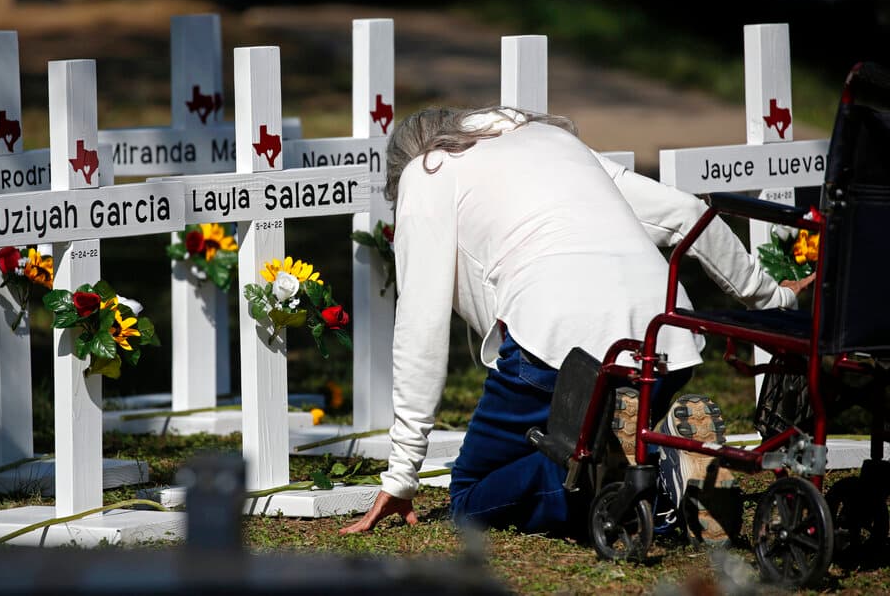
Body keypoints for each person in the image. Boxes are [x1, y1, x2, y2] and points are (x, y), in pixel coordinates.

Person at [339, 106, 811, 539]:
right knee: (568, 446)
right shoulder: (549, 139)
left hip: (556, 349)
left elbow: (419, 329)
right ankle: (660, 461)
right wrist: (771, 297)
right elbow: (686, 213)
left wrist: (402, 474)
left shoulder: (428, 172)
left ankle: (639, 480)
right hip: (664, 341)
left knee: (470, 494)